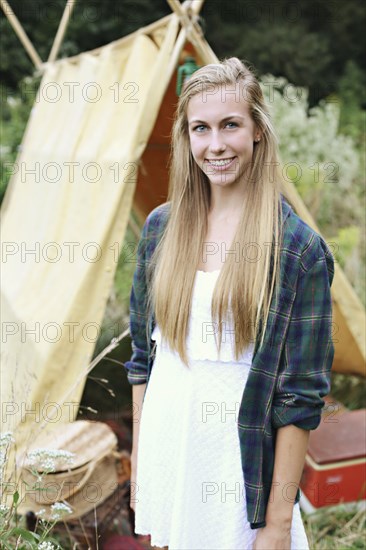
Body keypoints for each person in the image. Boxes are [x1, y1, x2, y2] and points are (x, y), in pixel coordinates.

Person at [124, 57, 335, 550]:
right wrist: (142, 469)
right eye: (201, 128)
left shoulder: (297, 249)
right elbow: (142, 366)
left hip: (240, 471)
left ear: (257, 130)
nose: (215, 144)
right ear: (186, 137)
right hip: (169, 450)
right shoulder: (161, 229)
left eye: (230, 125)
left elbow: (299, 399)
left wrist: (277, 524)